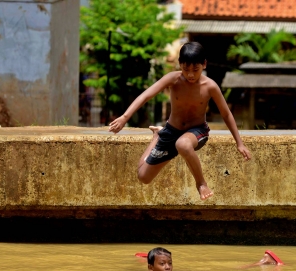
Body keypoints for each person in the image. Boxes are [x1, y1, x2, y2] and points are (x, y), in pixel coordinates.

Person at [108, 42, 252, 200]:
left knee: (182, 144)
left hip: (197, 132)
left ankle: (201, 184)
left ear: (204, 64)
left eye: (195, 70)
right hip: (171, 131)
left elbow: (226, 114)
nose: (190, 74)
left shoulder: (210, 86)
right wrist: (124, 117)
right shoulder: (173, 79)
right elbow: (146, 96)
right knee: (143, 176)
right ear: (179, 64)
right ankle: (157, 136)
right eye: (186, 69)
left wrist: (239, 143)